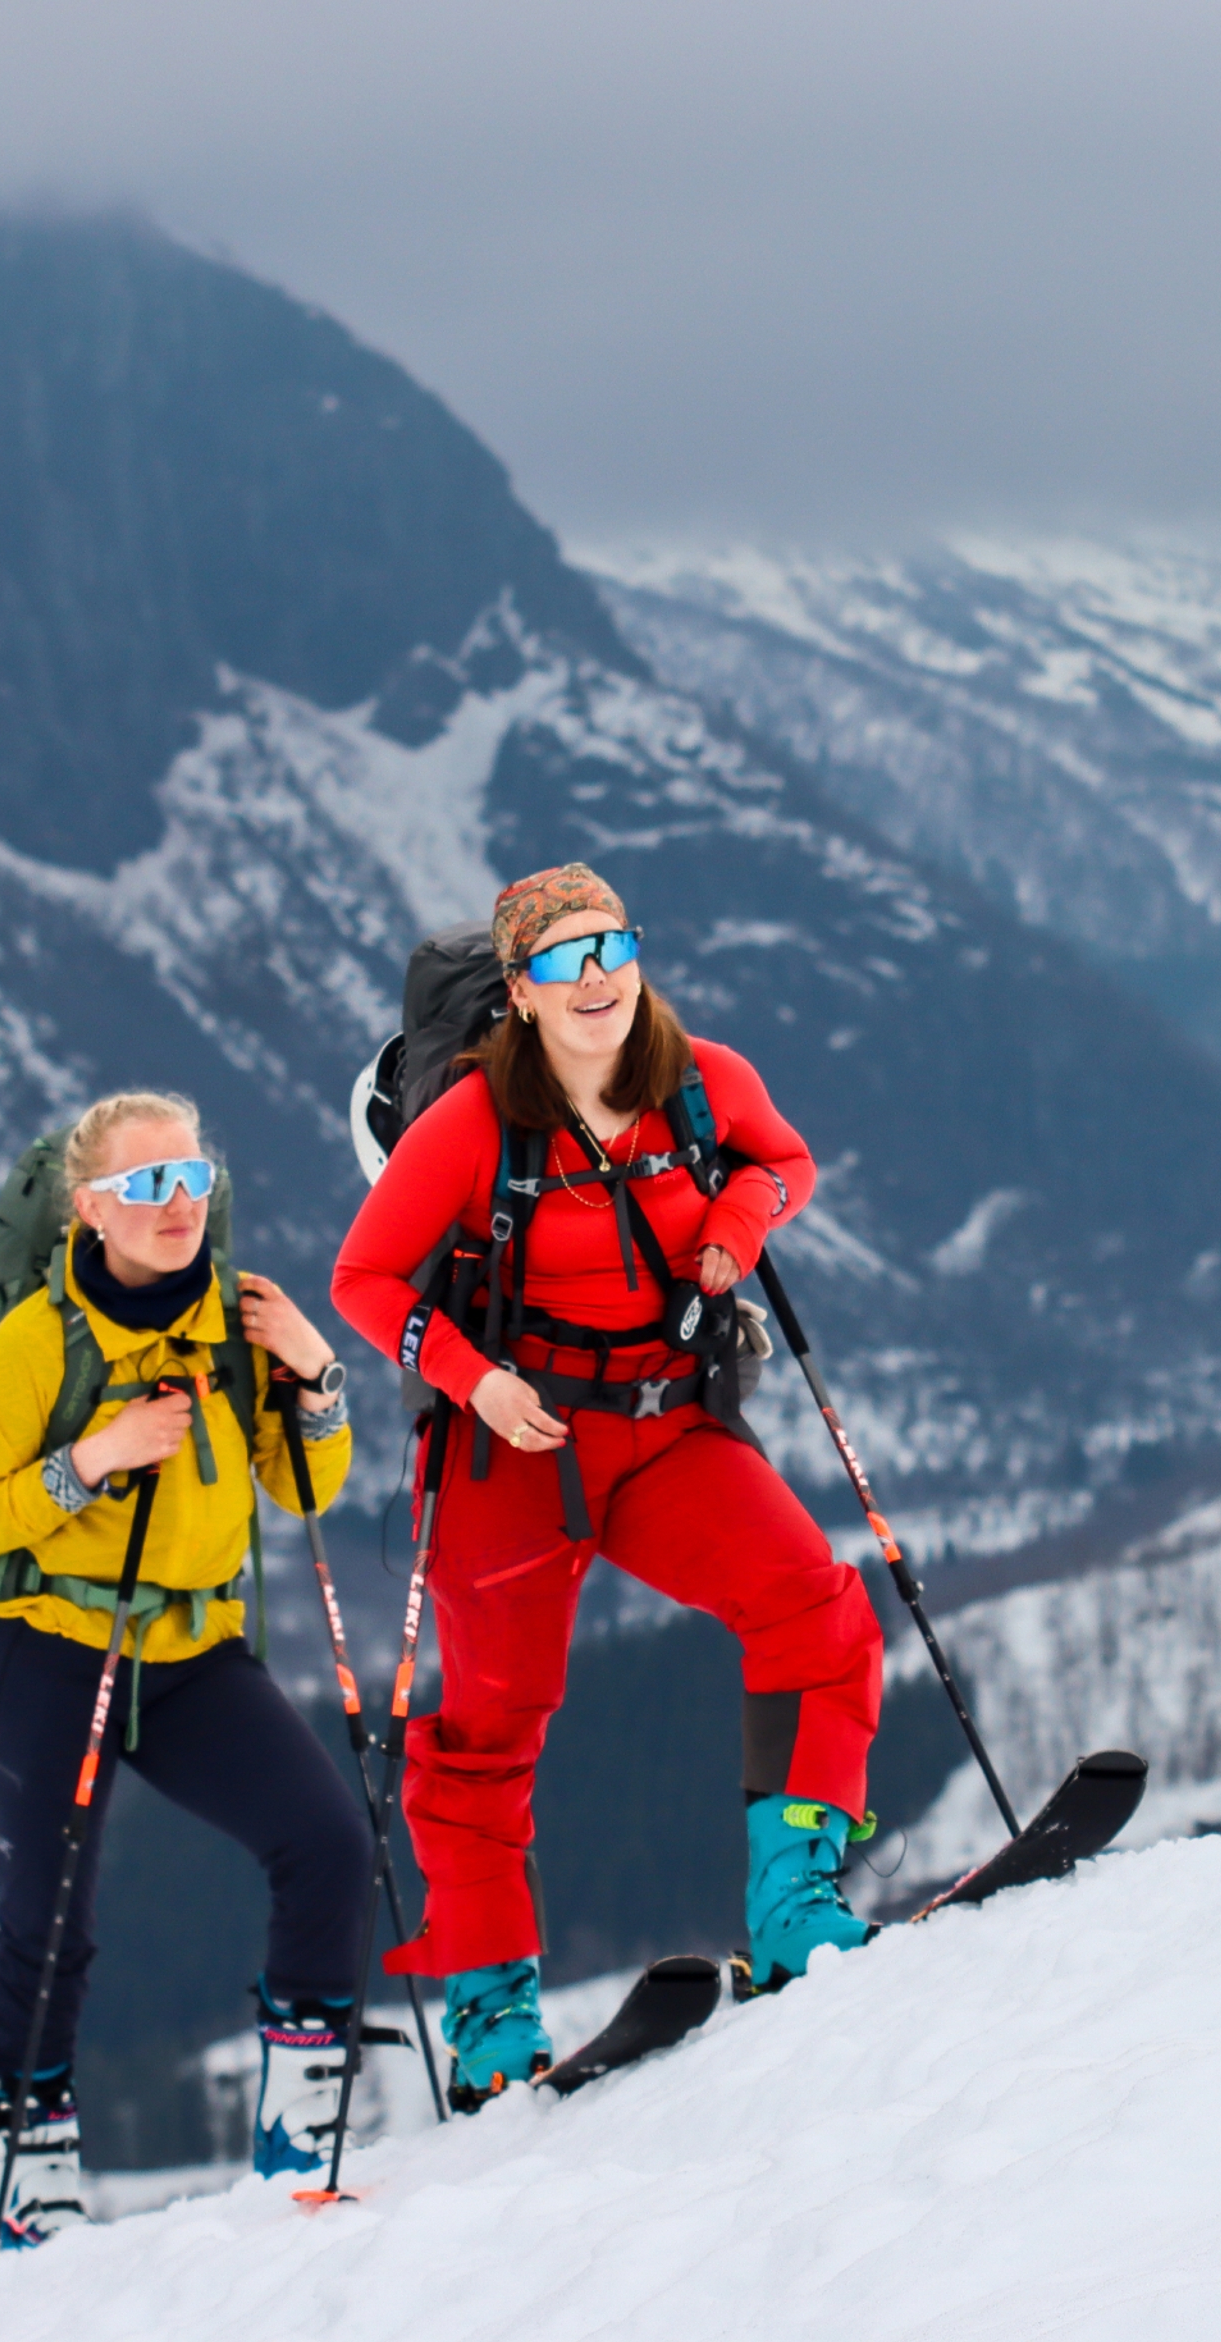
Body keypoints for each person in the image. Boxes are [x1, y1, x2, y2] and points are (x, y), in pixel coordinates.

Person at [333, 862, 883, 2106]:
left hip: (665, 1427)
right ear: (520, 989)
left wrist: (738, 1226)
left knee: (815, 1608)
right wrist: (473, 1379)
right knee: (489, 1723)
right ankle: (491, 2014)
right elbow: (363, 1280)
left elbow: (785, 1162)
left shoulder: (701, 1079)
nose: (597, 979)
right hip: (510, 1453)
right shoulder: (470, 1124)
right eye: (563, 959)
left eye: (613, 947)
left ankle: (795, 1902)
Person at [0, 1090, 371, 2241]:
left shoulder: (240, 1318)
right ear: (90, 1206)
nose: (179, 1203)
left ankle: (301, 2127)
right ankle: (33, 2181)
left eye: (193, 1178)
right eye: (146, 1184)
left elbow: (303, 1487)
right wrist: (94, 1458)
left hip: (188, 1653)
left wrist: (318, 1376)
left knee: (328, 1843)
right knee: (49, 1922)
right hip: (43, 1651)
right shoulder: (34, 1344)